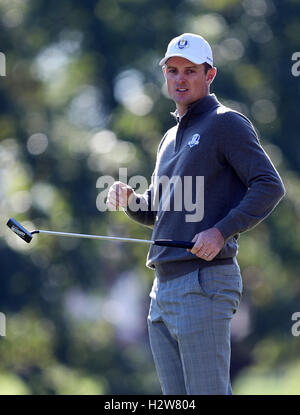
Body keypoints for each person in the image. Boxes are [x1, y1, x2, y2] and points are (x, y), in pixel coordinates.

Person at [106, 33, 285, 395]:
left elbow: (270, 185)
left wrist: (221, 232)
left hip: (203, 282)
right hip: (162, 289)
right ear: (165, 76)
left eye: (190, 71)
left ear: (210, 75)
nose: (180, 79)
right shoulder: (169, 138)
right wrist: (130, 200)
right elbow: (158, 211)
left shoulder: (226, 123)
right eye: (172, 71)